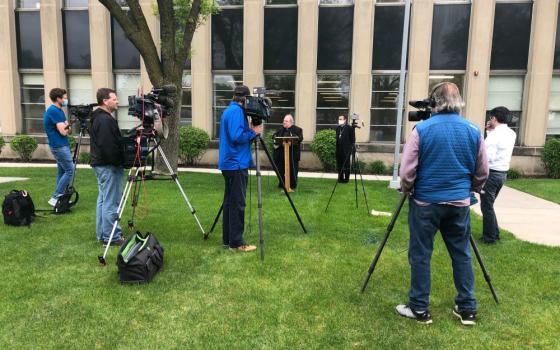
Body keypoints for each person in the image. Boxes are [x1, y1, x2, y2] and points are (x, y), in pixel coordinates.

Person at [397, 82, 489, 326]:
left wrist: (407, 189)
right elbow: (483, 171)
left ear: (434, 102)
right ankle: (467, 308)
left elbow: (407, 171)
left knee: (420, 255)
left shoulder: (422, 130)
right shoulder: (473, 130)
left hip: (425, 202)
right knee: (461, 254)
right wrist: (471, 190)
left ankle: (419, 308)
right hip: (458, 203)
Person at [218, 85, 263, 252]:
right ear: (244, 100)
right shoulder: (237, 112)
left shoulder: (229, 110)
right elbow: (237, 136)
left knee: (230, 203)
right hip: (236, 163)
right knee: (237, 203)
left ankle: (228, 240)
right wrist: (254, 132)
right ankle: (236, 243)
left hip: (229, 163)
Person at [90, 88, 125, 246]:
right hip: (108, 166)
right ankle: (112, 237)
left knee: (104, 201)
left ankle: (103, 234)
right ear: (105, 101)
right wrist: (120, 161)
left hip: (102, 165)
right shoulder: (104, 120)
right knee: (111, 202)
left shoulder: (99, 117)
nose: (117, 101)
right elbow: (108, 146)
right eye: (114, 99)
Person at [480, 106, 516, 244]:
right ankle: (494, 233)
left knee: (486, 206)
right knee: (489, 205)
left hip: (492, 174)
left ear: (493, 118)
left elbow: (488, 157)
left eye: (491, 118)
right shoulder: (511, 133)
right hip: (502, 174)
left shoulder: (495, 135)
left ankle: (489, 238)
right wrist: (490, 132)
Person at [43, 88, 73, 207]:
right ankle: (55, 197)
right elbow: (64, 132)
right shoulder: (54, 111)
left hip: (62, 144)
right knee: (70, 170)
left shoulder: (59, 111)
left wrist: (67, 127)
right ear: (58, 99)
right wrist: (67, 126)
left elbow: (68, 130)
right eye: (64, 98)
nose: (66, 100)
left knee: (62, 172)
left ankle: (61, 198)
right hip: (59, 145)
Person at [273, 114, 303, 189]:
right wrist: (279, 141)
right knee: (280, 169)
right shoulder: (280, 129)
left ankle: (292, 185)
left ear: (291, 122)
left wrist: (291, 139)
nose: (284, 122)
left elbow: (300, 138)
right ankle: (282, 183)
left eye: (286, 121)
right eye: (284, 121)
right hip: (281, 154)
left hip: (292, 154)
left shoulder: (298, 129)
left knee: (292, 170)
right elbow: (274, 137)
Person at [336, 115, 355, 183]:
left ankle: (346, 179)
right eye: (339, 119)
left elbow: (352, 139)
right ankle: (340, 178)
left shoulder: (349, 128)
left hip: (346, 150)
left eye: (341, 119)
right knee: (339, 165)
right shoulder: (338, 128)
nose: (339, 120)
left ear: (345, 120)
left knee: (346, 165)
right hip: (339, 150)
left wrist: (350, 149)